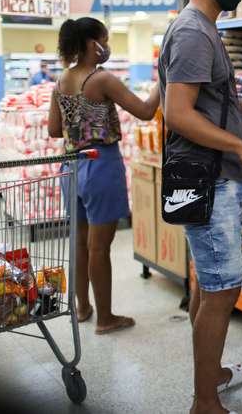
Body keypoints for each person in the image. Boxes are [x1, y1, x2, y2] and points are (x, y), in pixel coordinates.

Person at [158, 0, 242, 414]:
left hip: (210, 175)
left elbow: (201, 104)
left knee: (211, 286)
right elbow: (178, 113)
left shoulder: (202, 29)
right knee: (222, 290)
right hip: (209, 178)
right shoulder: (193, 32)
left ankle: (214, 375)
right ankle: (205, 400)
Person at [48, 17, 160, 334]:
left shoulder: (61, 81)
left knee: (81, 243)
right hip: (101, 165)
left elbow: (54, 129)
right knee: (100, 247)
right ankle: (106, 319)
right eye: (105, 39)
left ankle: (83, 307)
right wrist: (164, 82)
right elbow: (145, 110)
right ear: (91, 44)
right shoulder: (102, 80)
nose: (107, 46)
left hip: (70, 167)